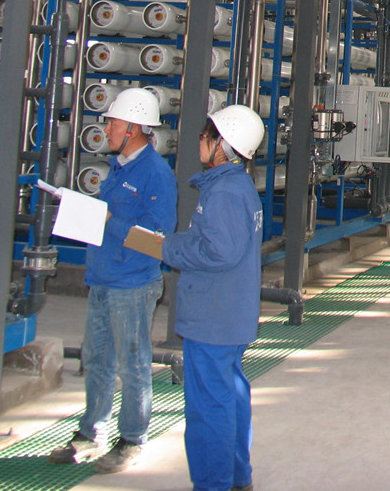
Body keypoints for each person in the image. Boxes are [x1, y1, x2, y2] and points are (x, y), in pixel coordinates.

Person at [49, 86, 177, 472]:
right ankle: (91, 432)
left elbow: (156, 236)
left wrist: (108, 220)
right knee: (96, 359)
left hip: (132, 283)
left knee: (132, 364)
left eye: (113, 123)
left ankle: (132, 438)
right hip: (103, 277)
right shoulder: (119, 167)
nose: (105, 129)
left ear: (134, 128)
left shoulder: (156, 174)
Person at [160, 104, 266, 491]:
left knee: (208, 407)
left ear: (223, 145)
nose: (200, 141)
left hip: (213, 316)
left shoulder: (223, 192)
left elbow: (218, 252)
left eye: (207, 136)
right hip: (229, 314)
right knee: (230, 395)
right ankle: (238, 477)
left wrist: (168, 248)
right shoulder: (237, 186)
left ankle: (213, 483)